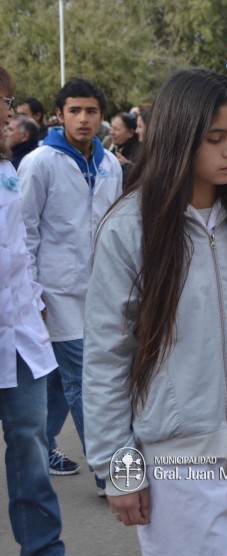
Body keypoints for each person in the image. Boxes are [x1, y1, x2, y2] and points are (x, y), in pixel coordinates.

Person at [83, 68, 227, 556]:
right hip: (171, 461)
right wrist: (121, 472)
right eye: (215, 138)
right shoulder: (131, 228)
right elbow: (108, 356)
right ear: (179, 137)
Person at [18, 78, 123, 496]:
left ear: (101, 116)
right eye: (75, 111)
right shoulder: (40, 163)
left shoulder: (110, 164)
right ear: (59, 115)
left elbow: (115, 227)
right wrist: (30, 294)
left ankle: (37, 447)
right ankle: (108, 473)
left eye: (92, 111)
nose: (84, 119)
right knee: (85, 379)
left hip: (102, 288)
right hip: (55, 290)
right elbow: (23, 232)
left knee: (64, 382)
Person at [0, 63, 79, 556]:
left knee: (29, 444)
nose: (8, 114)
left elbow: (18, 249)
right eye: (3, 104)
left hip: (20, 335)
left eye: (7, 104)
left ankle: (45, 554)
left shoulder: (7, 170)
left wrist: (33, 298)